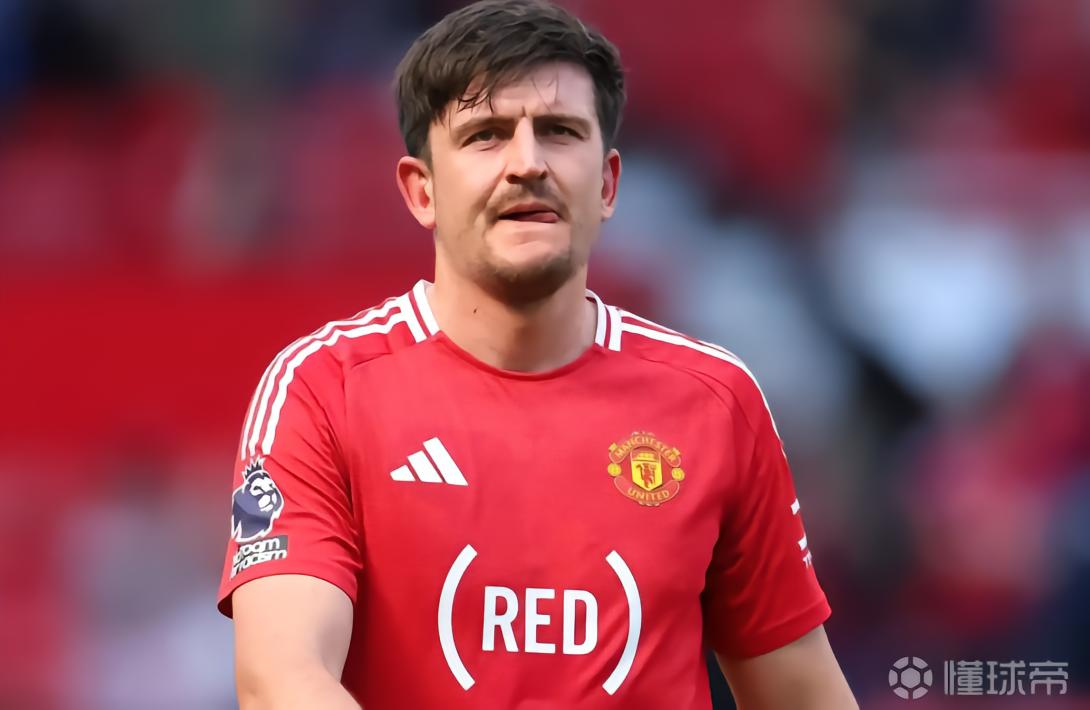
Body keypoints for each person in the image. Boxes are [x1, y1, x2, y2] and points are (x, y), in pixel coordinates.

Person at [218, 1, 858, 708]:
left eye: (559, 132)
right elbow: (282, 679)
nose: (527, 164)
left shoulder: (715, 401)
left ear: (608, 184)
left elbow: (802, 693)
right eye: (486, 136)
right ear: (422, 190)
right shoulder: (324, 390)